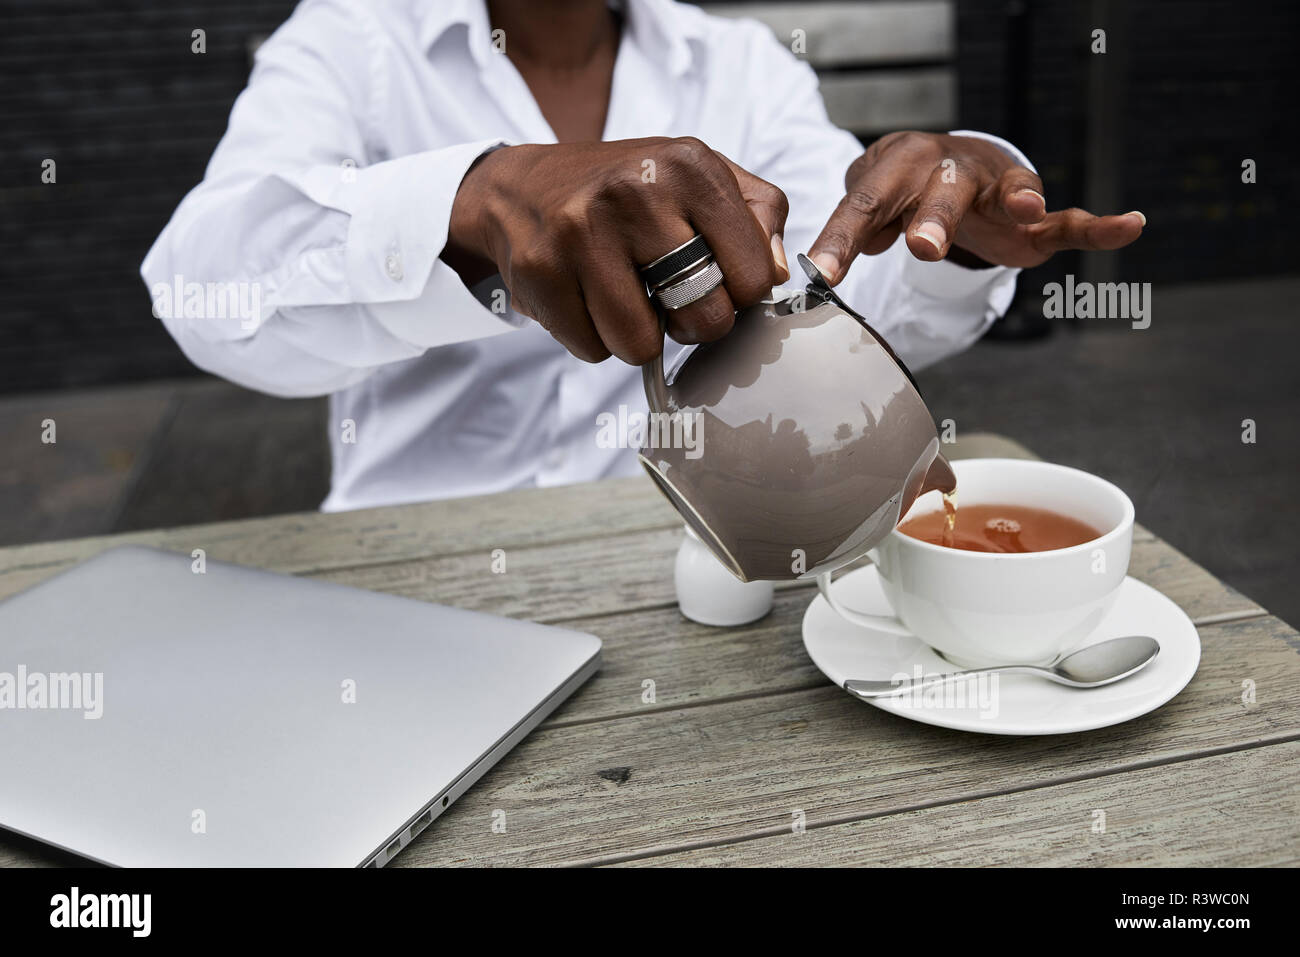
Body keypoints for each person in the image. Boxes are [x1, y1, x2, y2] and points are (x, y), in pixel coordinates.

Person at [141, 0, 1143, 511]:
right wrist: (469, 200)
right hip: (416, 558)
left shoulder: (739, 64)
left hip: (697, 556)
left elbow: (836, 294)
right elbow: (201, 286)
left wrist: (946, 242)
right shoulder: (353, 38)